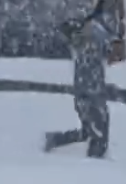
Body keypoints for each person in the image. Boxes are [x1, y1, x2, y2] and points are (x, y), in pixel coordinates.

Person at [45, 12, 113, 158]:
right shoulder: (88, 41)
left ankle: (55, 140)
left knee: (91, 131)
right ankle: (94, 161)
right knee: (97, 132)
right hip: (91, 94)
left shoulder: (85, 43)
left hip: (89, 94)